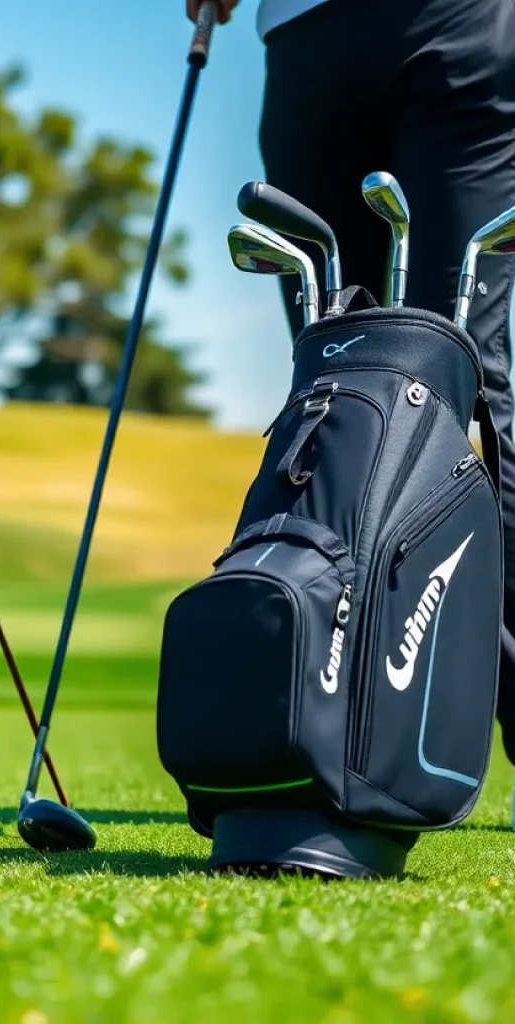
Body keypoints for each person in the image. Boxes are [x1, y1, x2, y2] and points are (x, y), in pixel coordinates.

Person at [188, 0, 515, 760]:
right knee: (337, 378)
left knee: (463, 378)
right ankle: (344, 701)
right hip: (305, 33)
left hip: (460, 23)